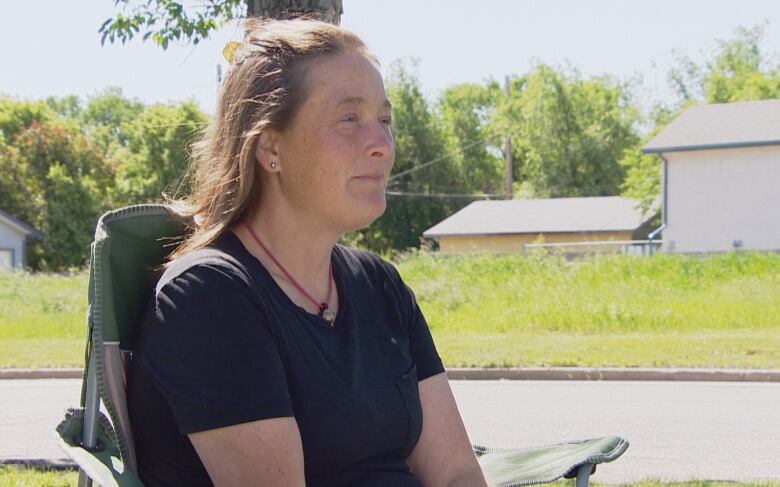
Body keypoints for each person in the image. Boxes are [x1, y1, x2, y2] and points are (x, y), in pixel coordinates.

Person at [127, 17, 488, 487]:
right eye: (349, 119)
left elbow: (457, 472)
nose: (382, 144)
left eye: (384, 120)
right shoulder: (209, 297)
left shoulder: (380, 287)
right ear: (270, 147)